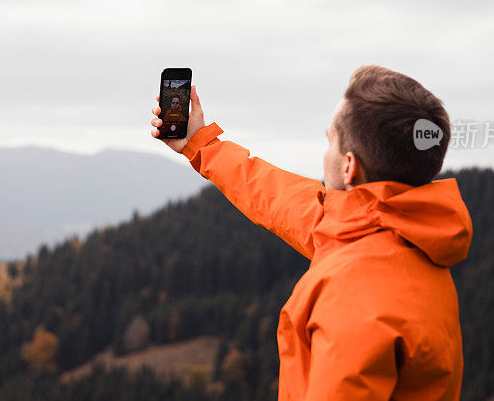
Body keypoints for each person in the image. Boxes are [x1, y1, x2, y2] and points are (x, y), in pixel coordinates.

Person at [150, 65, 472, 400]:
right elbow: (279, 196)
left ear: (349, 165)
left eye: (329, 140)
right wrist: (201, 145)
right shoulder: (395, 228)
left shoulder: (356, 293)